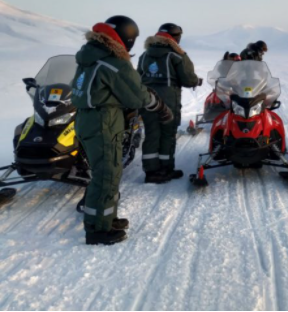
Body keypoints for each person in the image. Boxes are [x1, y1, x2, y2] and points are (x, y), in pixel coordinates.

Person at [72, 16, 173, 245]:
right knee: (106, 174)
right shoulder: (112, 61)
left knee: (108, 172)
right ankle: (98, 230)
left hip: (87, 118)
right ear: (127, 37)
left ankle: (106, 218)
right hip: (103, 120)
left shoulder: (90, 54)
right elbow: (135, 95)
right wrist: (157, 105)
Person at [137, 23, 201, 183]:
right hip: (168, 101)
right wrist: (196, 81)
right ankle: (166, 168)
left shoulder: (144, 55)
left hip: (147, 99)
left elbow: (137, 77)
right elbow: (188, 79)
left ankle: (151, 172)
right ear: (176, 37)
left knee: (151, 133)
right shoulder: (177, 55)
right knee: (167, 134)